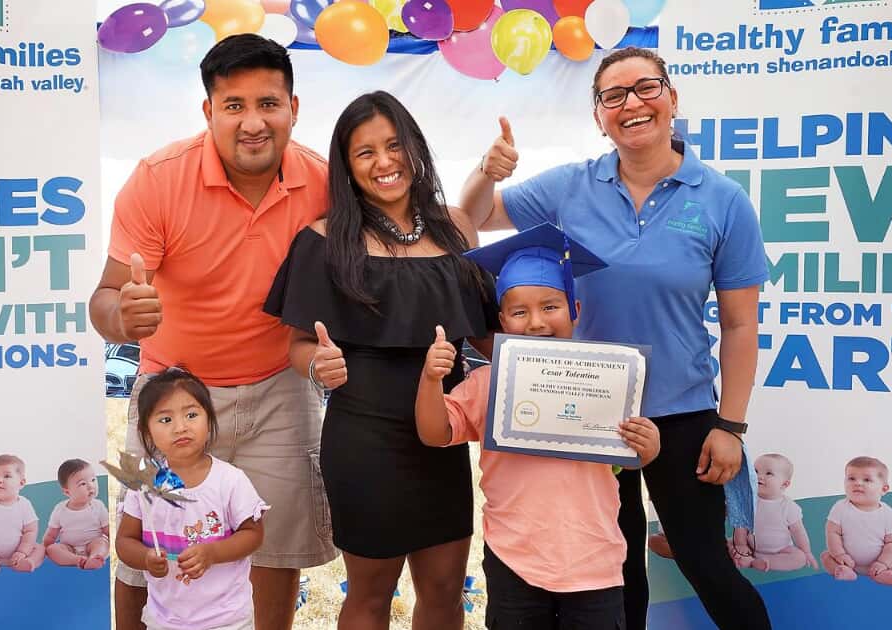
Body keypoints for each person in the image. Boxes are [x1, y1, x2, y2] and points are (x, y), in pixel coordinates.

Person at [459, 46, 771, 629]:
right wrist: (486, 171)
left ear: (672, 98)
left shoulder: (722, 199)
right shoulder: (569, 187)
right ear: (599, 115)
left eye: (646, 88)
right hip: (586, 415)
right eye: (613, 95)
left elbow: (739, 324)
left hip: (682, 415)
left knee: (708, 565)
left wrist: (730, 426)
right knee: (616, 573)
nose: (632, 104)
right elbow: (473, 217)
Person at [89, 33, 337, 630]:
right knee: (146, 548)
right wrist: (124, 318)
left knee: (274, 546)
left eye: (268, 104)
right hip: (171, 392)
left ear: (294, 108)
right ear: (208, 112)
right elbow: (103, 300)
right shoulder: (157, 178)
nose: (253, 122)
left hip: (281, 388)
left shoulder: (326, 182)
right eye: (234, 106)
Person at [264, 90, 497, 629]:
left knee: (444, 591)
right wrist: (316, 364)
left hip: (442, 436)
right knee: (371, 594)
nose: (385, 162)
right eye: (365, 152)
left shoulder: (457, 228)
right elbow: (298, 344)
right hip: (364, 441)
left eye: (394, 145)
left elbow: (488, 336)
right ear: (346, 166)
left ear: (415, 148)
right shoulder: (323, 240)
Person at [414, 223, 661, 629]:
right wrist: (430, 379)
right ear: (502, 320)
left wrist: (647, 447)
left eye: (550, 307)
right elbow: (435, 432)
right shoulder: (487, 383)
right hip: (516, 558)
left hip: (594, 561)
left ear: (575, 311)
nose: (535, 322)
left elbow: (629, 459)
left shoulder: (606, 380)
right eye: (519, 311)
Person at [115, 368, 268, 630]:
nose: (181, 427)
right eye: (165, 420)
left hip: (227, 619)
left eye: (192, 415)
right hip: (164, 619)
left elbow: (253, 534)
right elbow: (124, 541)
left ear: (209, 421)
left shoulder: (230, 480)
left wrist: (212, 552)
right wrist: (145, 558)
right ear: (147, 432)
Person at [820, 456, 892, 585]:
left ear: (884, 489)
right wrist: (839, 555)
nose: (857, 483)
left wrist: (884, 562)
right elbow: (832, 532)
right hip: (846, 561)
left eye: (867, 480)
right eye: (851, 478)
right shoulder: (840, 507)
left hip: (879, 564)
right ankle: (843, 572)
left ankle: (889, 575)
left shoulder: (887, 513)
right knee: (826, 556)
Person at [732, 453, 817, 572]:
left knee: (799, 558)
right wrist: (741, 544)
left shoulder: (788, 506)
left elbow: (798, 532)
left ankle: (763, 562)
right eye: (755, 471)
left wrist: (807, 551)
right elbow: (741, 526)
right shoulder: (748, 501)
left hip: (781, 550)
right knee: (729, 543)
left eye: (768, 473)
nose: (759, 476)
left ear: (784, 484)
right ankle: (747, 558)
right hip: (751, 546)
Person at [43, 459, 110, 570]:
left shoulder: (98, 506)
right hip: (70, 548)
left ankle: (95, 557)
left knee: (102, 543)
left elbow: (107, 530)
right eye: (83, 484)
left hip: (93, 543)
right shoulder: (60, 509)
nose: (90, 486)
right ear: (67, 492)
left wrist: (115, 542)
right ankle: (78, 560)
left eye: (93, 480)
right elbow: (51, 535)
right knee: (53, 549)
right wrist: (46, 548)